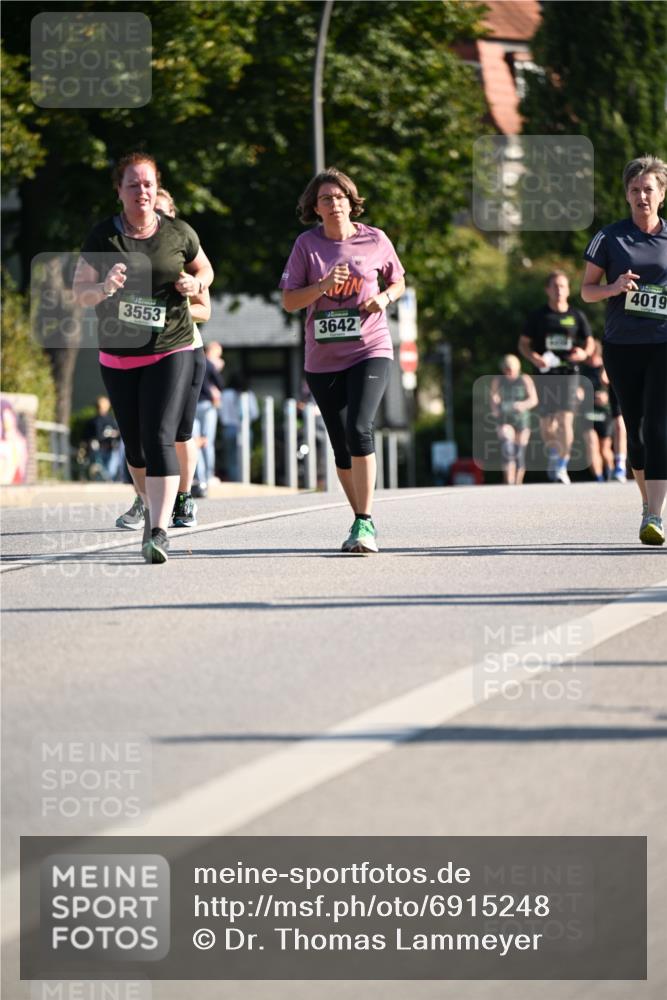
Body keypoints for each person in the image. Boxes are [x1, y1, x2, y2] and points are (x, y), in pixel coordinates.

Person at [73, 153, 213, 563]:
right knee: (134, 446)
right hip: (118, 354)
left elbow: (205, 270)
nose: (142, 192)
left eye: (148, 184)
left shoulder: (178, 233)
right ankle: (148, 503)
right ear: (119, 191)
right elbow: (80, 293)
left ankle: (159, 529)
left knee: (159, 436)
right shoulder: (103, 237)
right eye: (133, 185)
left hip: (172, 346)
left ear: (157, 188)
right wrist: (104, 288)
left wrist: (194, 281)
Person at [280, 167, 406, 553]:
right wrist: (320, 287)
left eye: (339, 197)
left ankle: (366, 522)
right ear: (314, 208)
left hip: (370, 347)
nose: (333, 204)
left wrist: (382, 299)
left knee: (359, 427)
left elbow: (398, 280)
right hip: (323, 359)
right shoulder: (306, 245)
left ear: (352, 202)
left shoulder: (375, 239)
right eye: (325, 199)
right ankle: (358, 518)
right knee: (340, 446)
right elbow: (288, 300)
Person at [582, 154, 667, 545]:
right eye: (635, 190)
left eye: (648, 189)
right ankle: (648, 507)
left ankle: (656, 513)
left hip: (662, 343)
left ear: (661, 193)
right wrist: (614, 288)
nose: (641, 196)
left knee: (657, 426)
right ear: (627, 195)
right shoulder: (609, 237)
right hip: (621, 346)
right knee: (634, 430)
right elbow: (586, 290)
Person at [114, 186, 211, 530]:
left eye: (164, 211)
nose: (157, 216)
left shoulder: (183, 254)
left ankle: (182, 498)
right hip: (136, 353)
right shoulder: (131, 255)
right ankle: (145, 500)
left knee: (177, 434)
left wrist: (176, 306)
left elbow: (206, 310)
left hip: (184, 350)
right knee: (138, 434)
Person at [518, 271, 594, 484]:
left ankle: (562, 464)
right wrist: (534, 358)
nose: (559, 290)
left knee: (564, 419)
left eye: (563, 286)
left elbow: (589, 341)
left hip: (569, 374)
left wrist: (584, 353)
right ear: (547, 290)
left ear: (568, 290)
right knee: (546, 425)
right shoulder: (538, 316)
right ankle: (554, 453)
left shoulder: (577, 315)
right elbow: (523, 344)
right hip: (544, 375)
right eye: (555, 286)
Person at [489, 355, 537, 485]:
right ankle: (508, 482)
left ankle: (518, 482)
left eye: (511, 370)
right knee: (508, 448)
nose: (509, 372)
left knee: (519, 452)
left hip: (522, 419)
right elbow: (493, 398)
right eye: (506, 370)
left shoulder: (525, 379)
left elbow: (534, 400)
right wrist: (495, 408)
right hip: (505, 418)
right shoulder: (498, 380)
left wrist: (522, 405)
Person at [193, 340, 225, 495]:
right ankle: (209, 475)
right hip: (207, 405)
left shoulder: (194, 361)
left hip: (192, 406)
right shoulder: (210, 364)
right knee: (208, 442)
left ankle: (200, 478)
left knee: (195, 443)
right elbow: (220, 384)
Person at [580, 340, 615, 482]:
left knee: (604, 448)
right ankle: (599, 478)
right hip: (587, 411)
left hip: (604, 412)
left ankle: (612, 473)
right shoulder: (581, 368)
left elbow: (617, 386)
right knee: (591, 444)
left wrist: (607, 396)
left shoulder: (606, 365)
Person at [219, 373, 259, 482]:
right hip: (245, 429)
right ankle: (244, 480)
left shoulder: (225, 394)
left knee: (231, 459)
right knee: (245, 456)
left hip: (229, 429)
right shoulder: (249, 394)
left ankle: (234, 481)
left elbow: (221, 413)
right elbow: (255, 414)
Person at [82, 395, 121, 482]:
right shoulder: (93, 421)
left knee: (110, 471)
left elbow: (118, 434)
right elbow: (86, 438)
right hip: (98, 449)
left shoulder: (111, 420)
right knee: (102, 470)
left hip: (111, 448)